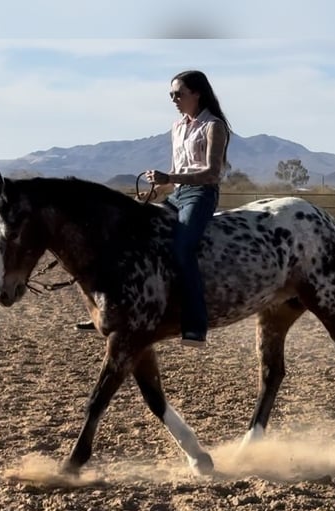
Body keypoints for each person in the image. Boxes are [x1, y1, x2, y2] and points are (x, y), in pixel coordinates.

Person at [76, 70, 231, 347]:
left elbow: (211, 173)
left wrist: (169, 179)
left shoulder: (213, 126)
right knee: (125, 235)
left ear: (197, 93)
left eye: (178, 94)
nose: (174, 99)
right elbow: (175, 173)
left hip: (201, 195)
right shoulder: (178, 127)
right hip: (178, 193)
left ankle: (195, 325)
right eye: (171, 94)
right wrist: (155, 191)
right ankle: (108, 312)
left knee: (183, 250)